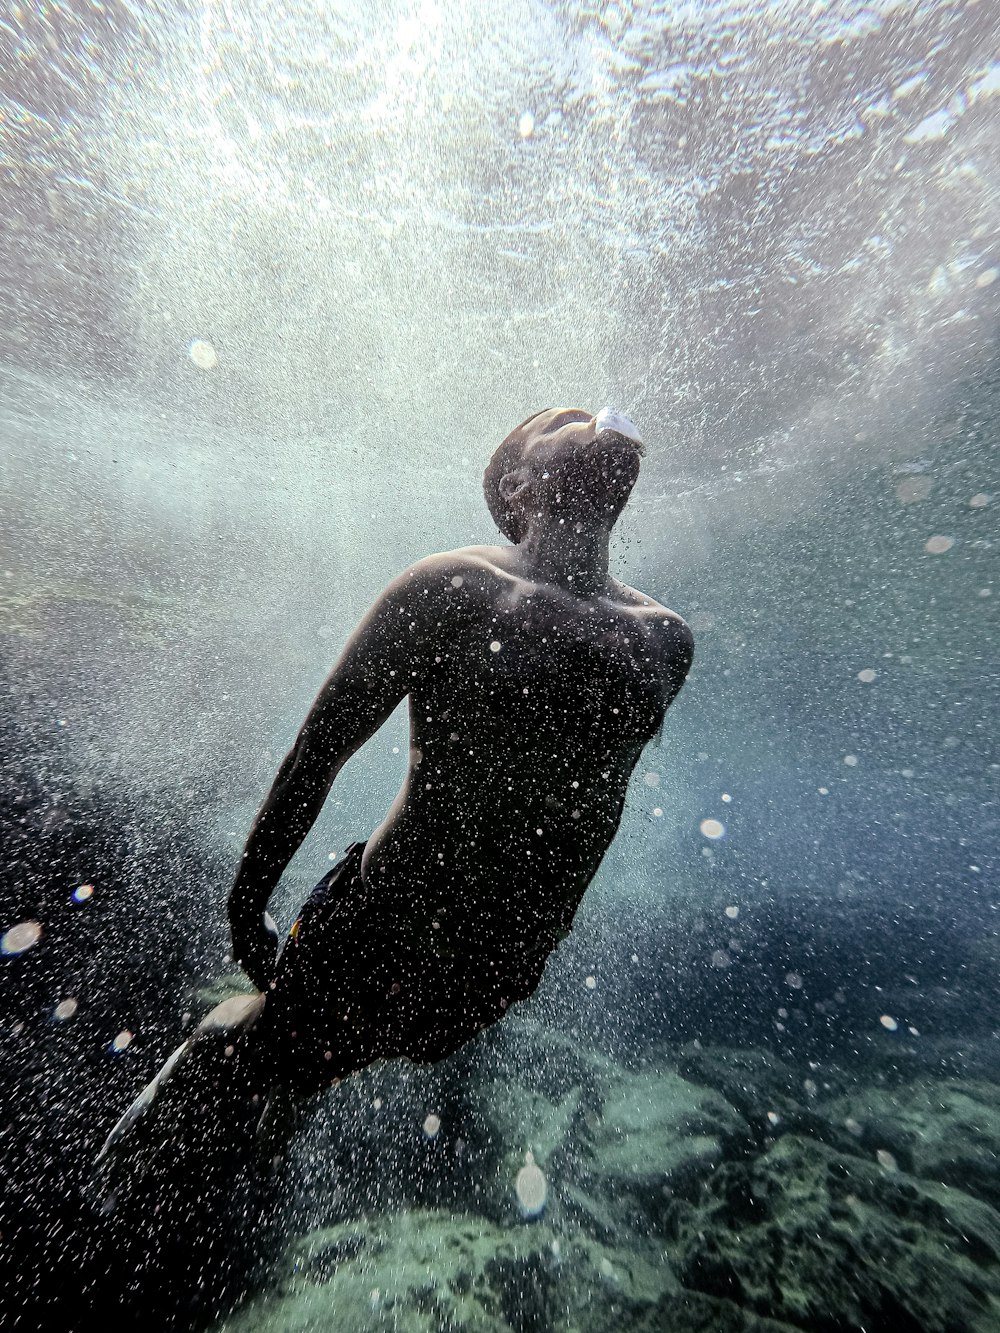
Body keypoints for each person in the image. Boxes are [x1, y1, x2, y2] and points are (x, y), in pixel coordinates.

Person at [93, 405, 693, 1189]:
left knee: (331, 1055)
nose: (590, 417)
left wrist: (535, 949)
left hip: (500, 964)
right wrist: (249, 896)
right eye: (562, 419)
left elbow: (594, 803)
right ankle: (115, 1169)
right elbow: (319, 750)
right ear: (517, 484)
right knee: (266, 1040)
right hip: (386, 924)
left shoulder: (665, 640)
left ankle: (270, 1133)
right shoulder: (452, 585)